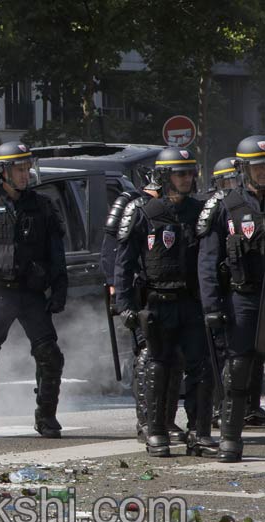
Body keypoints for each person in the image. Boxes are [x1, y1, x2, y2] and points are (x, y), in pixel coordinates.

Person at [0, 141, 67, 439]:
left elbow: (56, 253)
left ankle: (46, 418)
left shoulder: (43, 206)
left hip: (30, 293)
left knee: (50, 355)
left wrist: (59, 289)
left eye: (27, 167)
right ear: (3, 171)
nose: (25, 173)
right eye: (19, 168)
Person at [115, 146, 215, 458]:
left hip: (191, 302)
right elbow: (124, 264)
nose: (187, 178)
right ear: (164, 176)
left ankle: (199, 431)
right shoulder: (145, 213)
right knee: (159, 368)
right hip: (157, 303)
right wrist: (125, 305)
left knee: (201, 368)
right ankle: (156, 431)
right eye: (180, 173)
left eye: (190, 172)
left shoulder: (200, 212)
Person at [198, 135, 265, 462]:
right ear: (243, 170)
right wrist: (211, 307)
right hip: (244, 297)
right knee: (238, 368)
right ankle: (230, 439)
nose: (263, 172)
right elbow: (208, 262)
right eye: (257, 167)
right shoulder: (226, 206)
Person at [100, 172, 169, 443]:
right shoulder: (130, 205)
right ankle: (146, 421)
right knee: (145, 354)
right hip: (139, 291)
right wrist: (116, 290)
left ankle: (164, 420)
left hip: (166, 289)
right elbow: (111, 252)